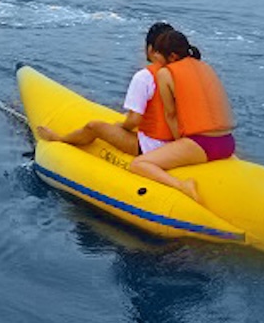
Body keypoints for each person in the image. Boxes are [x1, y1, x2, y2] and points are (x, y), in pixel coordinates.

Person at [37, 22, 176, 156]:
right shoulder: (180, 74)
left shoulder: (144, 77)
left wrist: (121, 127)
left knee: (94, 127)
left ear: (150, 49)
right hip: (178, 142)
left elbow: (134, 120)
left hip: (150, 146)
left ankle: (60, 139)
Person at [128, 30, 235, 202]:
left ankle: (182, 186)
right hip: (228, 143)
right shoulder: (204, 67)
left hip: (202, 145)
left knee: (139, 164)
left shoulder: (165, 73)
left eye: (158, 54)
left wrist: (179, 145)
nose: (155, 57)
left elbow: (170, 115)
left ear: (171, 56)